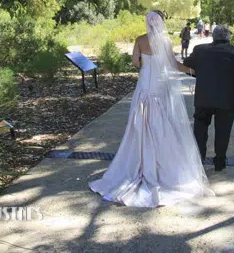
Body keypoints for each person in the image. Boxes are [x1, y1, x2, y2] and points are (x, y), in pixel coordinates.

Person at [89, 11, 214, 207]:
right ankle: (163, 165)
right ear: (161, 23)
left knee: (140, 122)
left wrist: (144, 62)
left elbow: (135, 62)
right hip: (160, 85)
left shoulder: (139, 39)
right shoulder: (165, 42)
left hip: (145, 85)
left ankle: (138, 163)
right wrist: (194, 71)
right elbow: (173, 65)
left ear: (147, 23)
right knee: (162, 123)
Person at [183, 25, 234, 171]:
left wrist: (201, 74)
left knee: (200, 129)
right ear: (228, 37)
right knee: (223, 130)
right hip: (227, 99)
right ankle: (219, 161)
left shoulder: (200, 50)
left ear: (213, 36)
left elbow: (187, 65)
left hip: (204, 98)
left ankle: (199, 160)